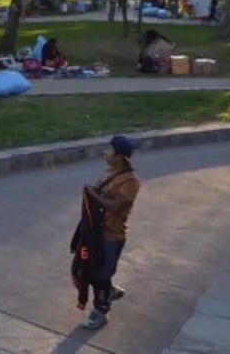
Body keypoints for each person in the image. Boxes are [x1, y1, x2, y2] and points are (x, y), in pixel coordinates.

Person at [80, 136, 142, 330]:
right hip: (97, 233)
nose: (105, 152)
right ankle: (109, 289)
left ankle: (101, 311)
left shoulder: (130, 181)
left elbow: (116, 206)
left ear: (119, 156)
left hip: (112, 236)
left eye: (109, 150)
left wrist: (94, 195)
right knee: (90, 269)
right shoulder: (110, 172)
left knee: (101, 274)